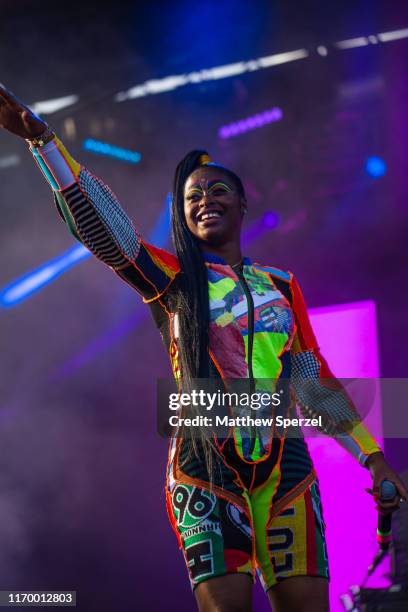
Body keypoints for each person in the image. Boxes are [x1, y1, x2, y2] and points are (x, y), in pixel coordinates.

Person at [1, 84, 407, 612]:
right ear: (182, 215)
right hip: (203, 464)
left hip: (287, 466)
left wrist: (372, 461)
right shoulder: (171, 278)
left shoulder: (281, 285)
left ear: (243, 202)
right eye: (192, 196)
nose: (204, 201)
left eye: (217, 191)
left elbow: (312, 381)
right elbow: (106, 230)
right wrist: (45, 143)